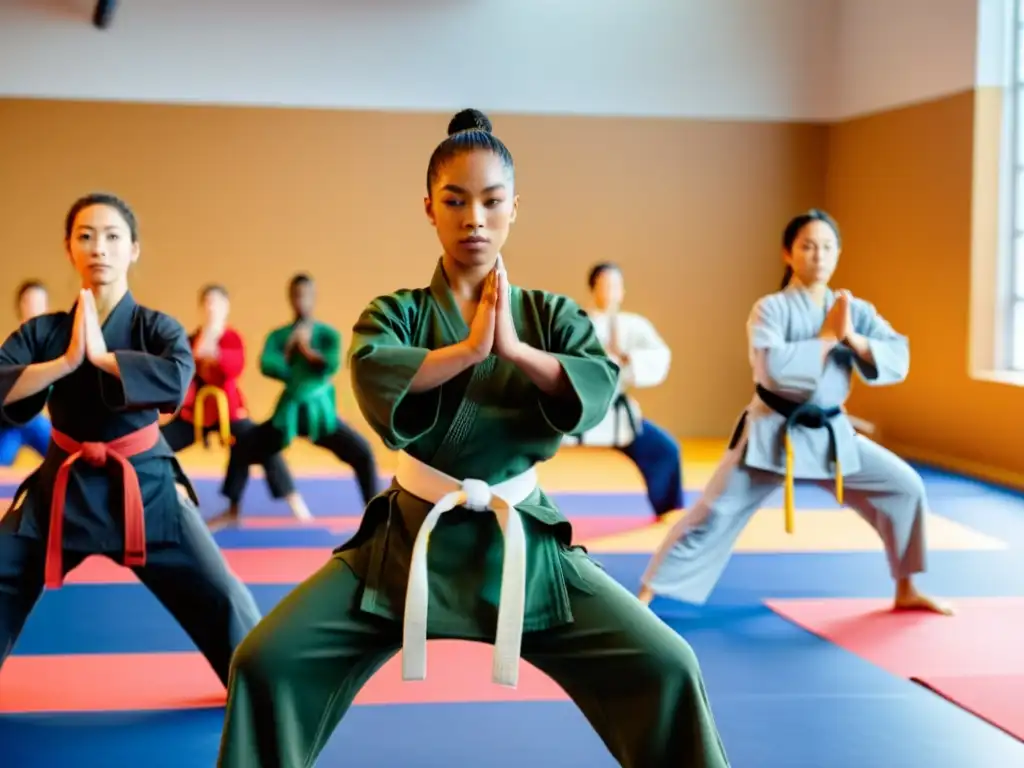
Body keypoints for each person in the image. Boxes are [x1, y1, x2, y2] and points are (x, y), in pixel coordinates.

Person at [216, 110, 731, 768]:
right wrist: (465, 351)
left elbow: (596, 384)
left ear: (515, 206)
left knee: (668, 665)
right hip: (404, 547)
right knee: (265, 661)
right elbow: (374, 375)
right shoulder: (395, 312)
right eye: (455, 201)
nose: (474, 219)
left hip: (525, 545)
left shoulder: (549, 315)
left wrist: (514, 349)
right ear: (428, 207)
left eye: (491, 201)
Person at [0, 192, 262, 686]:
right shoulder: (45, 333)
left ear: (133, 249)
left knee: (223, 596)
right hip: (61, 486)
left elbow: (176, 381)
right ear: (69, 248)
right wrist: (63, 363)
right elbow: (1, 385)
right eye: (86, 236)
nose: (99, 247)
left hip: (146, 487)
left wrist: (101, 359)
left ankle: (265, 697)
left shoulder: (156, 327)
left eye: (112, 236)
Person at [638, 208, 951, 616]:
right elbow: (773, 370)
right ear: (788, 253)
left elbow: (897, 356)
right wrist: (824, 339)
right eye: (807, 246)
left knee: (905, 488)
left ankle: (907, 588)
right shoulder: (769, 308)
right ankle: (645, 597)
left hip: (830, 435)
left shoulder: (853, 310)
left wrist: (852, 338)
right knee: (712, 512)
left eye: (827, 247)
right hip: (772, 432)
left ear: (838, 253)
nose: (818, 255)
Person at [215, 274, 379, 529]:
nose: (300, 300)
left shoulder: (326, 334)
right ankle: (232, 510)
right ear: (290, 298)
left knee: (362, 452)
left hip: (320, 414)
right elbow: (267, 364)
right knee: (243, 446)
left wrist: (308, 353)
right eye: (296, 295)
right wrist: (290, 351)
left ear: (314, 298)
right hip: (289, 412)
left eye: (305, 295)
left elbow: (333, 363)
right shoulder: (281, 336)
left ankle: (376, 517)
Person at [160, 283, 310, 530]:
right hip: (195, 414)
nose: (212, 308)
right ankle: (176, 496)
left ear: (226, 307)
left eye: (217, 303)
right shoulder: (189, 340)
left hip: (228, 411)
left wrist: (214, 345)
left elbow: (232, 369)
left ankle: (290, 500)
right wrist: (201, 344)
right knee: (156, 445)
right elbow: (181, 373)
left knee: (259, 442)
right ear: (200, 307)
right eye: (207, 302)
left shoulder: (232, 338)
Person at [564, 262, 682, 520]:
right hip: (574, 411)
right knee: (523, 447)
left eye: (615, 285)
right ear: (592, 289)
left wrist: (629, 359)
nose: (610, 291)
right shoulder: (575, 323)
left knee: (665, 450)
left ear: (623, 291)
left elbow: (659, 355)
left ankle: (669, 510)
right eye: (604, 285)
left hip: (615, 413)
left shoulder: (634, 325)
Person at [0, 281, 53, 466]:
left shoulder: (56, 348)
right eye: (29, 302)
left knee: (67, 457)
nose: (34, 309)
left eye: (39, 303)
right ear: (20, 307)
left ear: (46, 307)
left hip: (35, 422)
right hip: (6, 425)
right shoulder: (11, 349)